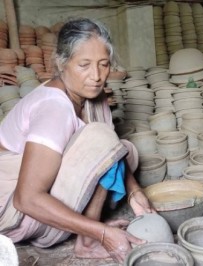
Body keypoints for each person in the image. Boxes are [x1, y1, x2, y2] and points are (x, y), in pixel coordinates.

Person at [0, 18, 154, 263]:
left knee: (126, 151)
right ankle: (90, 238)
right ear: (62, 63)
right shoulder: (54, 108)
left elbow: (111, 153)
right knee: (102, 139)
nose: (96, 76)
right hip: (14, 213)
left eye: (103, 65)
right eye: (84, 65)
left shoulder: (94, 96)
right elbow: (25, 199)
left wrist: (135, 192)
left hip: (36, 194)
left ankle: (87, 231)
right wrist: (102, 232)